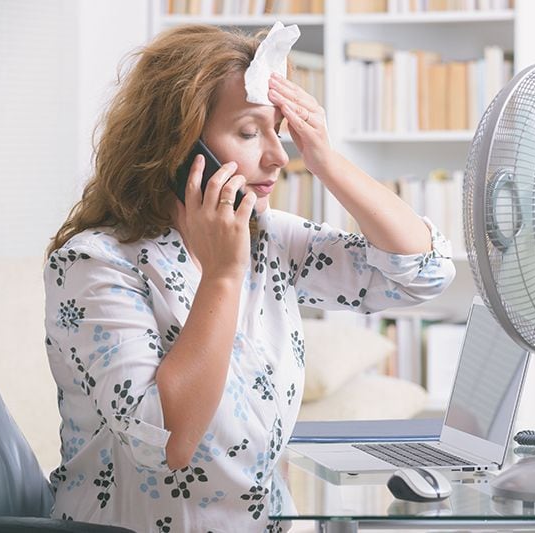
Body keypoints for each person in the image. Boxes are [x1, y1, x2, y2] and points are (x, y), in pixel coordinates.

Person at [44, 24, 455, 532]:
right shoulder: (93, 264)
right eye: (247, 132)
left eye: (278, 131)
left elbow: (422, 273)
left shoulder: (268, 238)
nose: (279, 156)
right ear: (181, 149)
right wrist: (223, 275)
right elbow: (166, 443)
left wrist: (326, 161)